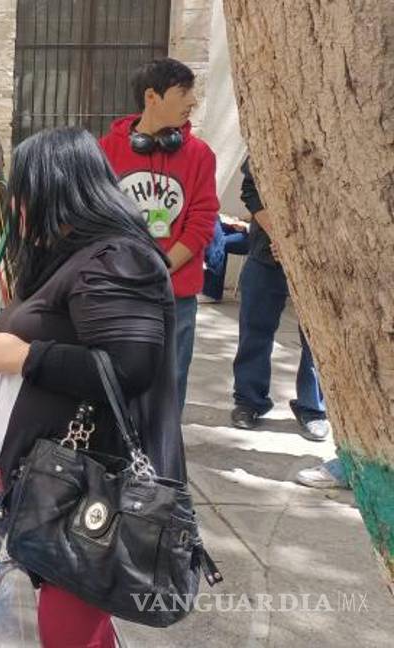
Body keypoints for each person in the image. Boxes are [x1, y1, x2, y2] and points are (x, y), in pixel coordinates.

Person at [0, 127, 183, 648]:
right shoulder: (85, 255)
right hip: (66, 484)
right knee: (82, 626)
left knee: (66, 630)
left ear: (53, 191)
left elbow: (129, 368)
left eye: (21, 192)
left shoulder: (117, 258)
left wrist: (27, 357)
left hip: (93, 490)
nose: (16, 208)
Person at [99, 57, 218, 413]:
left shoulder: (200, 155)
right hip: (121, 289)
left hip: (174, 295)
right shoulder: (106, 150)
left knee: (171, 381)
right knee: (115, 378)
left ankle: (163, 457)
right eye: (183, 92)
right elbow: (98, 218)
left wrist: (161, 269)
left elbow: (202, 220)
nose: (192, 102)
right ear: (152, 97)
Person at [230, 158, 331, 442]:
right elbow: (250, 190)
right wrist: (282, 237)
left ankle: (313, 409)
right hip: (267, 253)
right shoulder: (269, 133)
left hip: (319, 257)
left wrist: (302, 245)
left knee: (316, 338)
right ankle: (249, 401)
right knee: (254, 330)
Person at [202, 215, 250, 302]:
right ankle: (210, 289)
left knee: (219, 242)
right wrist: (241, 220)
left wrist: (246, 227)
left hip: (259, 236)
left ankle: (212, 293)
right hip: (250, 228)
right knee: (214, 219)